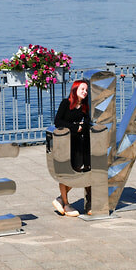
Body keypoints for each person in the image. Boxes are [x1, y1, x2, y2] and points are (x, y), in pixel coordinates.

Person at [52, 80, 91, 216]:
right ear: (75, 90)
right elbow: (58, 121)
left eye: (86, 90)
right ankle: (66, 203)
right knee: (67, 173)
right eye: (82, 89)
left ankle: (59, 199)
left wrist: (83, 127)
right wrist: (75, 127)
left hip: (80, 144)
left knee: (78, 172)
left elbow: (87, 123)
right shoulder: (66, 103)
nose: (85, 92)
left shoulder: (85, 106)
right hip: (67, 142)